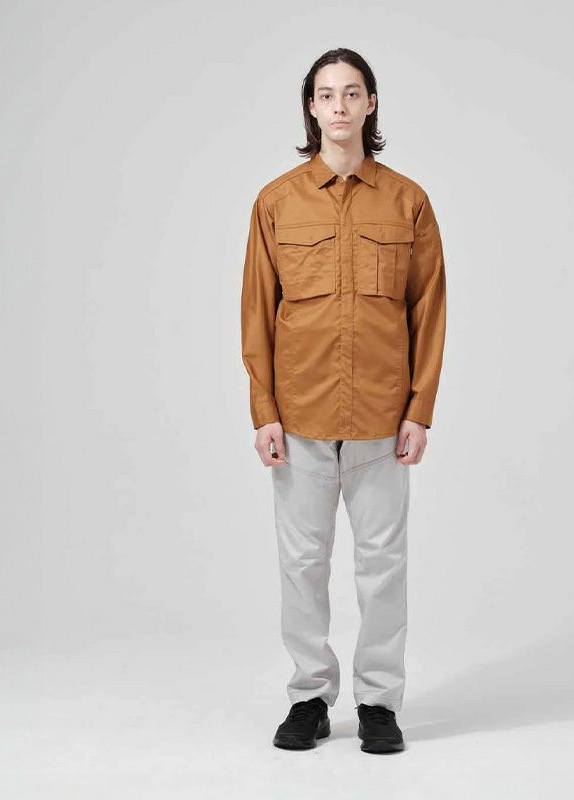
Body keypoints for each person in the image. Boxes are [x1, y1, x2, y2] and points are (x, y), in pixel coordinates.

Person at [240, 47, 447, 754]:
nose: (339, 105)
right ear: (311, 107)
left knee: (382, 566)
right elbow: (256, 312)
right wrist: (263, 410)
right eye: (326, 94)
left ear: (371, 104)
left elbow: (429, 310)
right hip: (299, 416)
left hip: (382, 420)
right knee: (302, 565)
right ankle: (309, 697)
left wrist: (419, 409)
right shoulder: (276, 202)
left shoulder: (407, 201)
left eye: (352, 93)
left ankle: (379, 703)